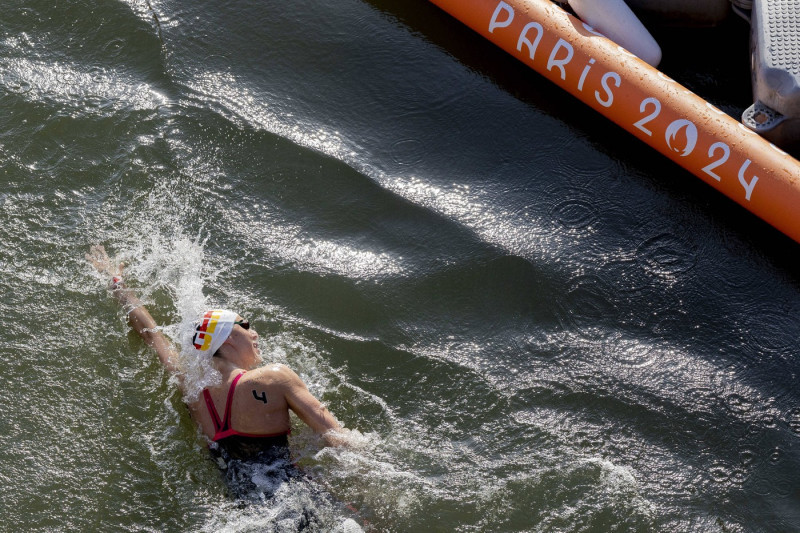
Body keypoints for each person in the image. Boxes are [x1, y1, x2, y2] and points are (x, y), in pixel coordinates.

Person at [86, 245, 350, 500]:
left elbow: (152, 336)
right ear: (227, 338)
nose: (254, 332)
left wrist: (117, 284)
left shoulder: (192, 389)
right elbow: (341, 441)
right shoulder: (274, 378)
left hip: (245, 505)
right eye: (245, 325)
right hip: (298, 498)